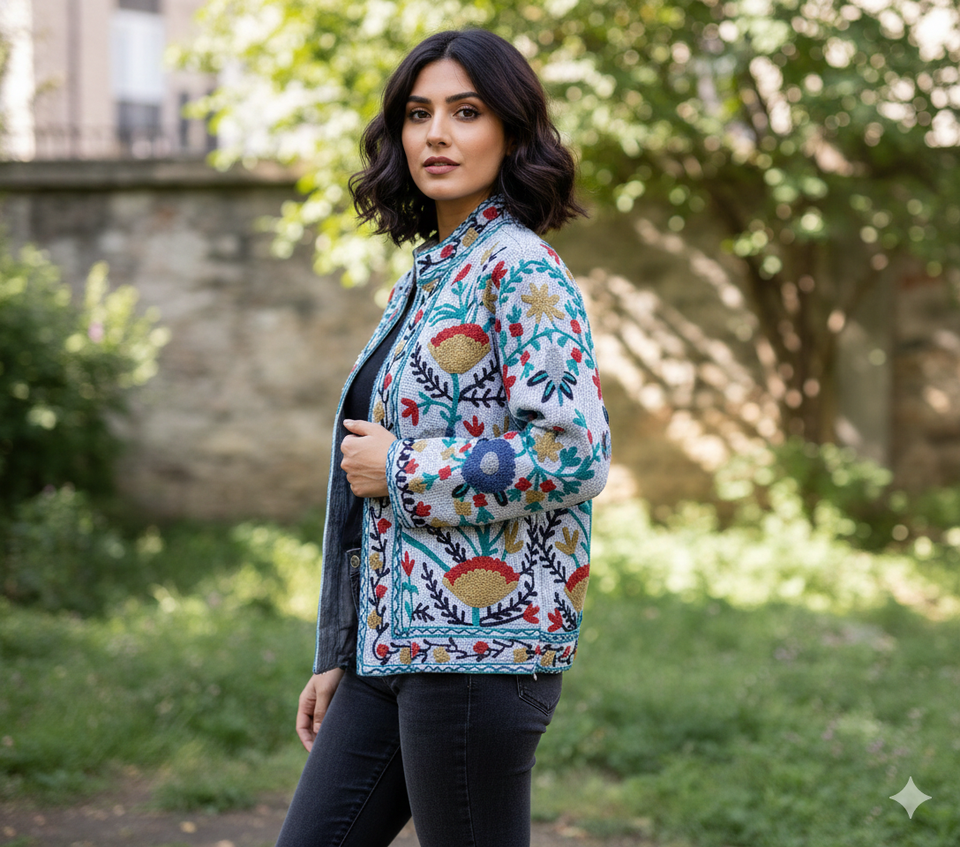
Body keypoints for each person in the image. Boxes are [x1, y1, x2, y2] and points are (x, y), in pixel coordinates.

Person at [275, 27, 611, 847]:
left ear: (511, 131)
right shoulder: (433, 274)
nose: (436, 134)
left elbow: (574, 452)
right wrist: (344, 647)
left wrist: (401, 467)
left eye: (466, 112)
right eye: (418, 114)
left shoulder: (521, 268)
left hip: (479, 656)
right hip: (392, 654)